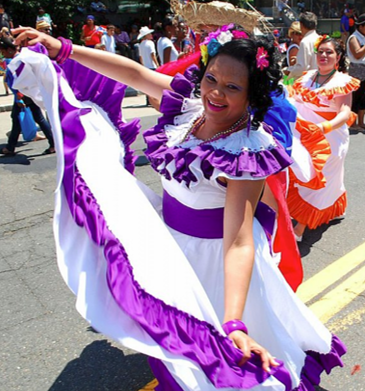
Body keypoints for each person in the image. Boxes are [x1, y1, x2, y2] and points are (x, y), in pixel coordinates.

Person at [12, 25, 346, 390]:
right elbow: (135, 73)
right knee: (176, 351)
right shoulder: (190, 108)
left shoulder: (247, 151)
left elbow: (237, 243)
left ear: (253, 96)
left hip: (214, 265)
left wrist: (233, 322)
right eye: (211, 78)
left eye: (232, 87)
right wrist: (62, 48)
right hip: (173, 248)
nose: (216, 93)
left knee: (218, 364)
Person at [287, 36, 359, 240]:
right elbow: (292, 97)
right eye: (321, 52)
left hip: (329, 139)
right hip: (303, 136)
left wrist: (322, 127)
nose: (324, 56)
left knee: (321, 179)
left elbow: (345, 113)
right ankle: (334, 210)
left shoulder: (343, 81)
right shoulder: (307, 76)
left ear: (338, 58)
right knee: (300, 174)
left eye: (329, 52)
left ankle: (300, 227)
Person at [0, 37, 55, 156]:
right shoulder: (20, 58)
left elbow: (20, 80)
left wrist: (19, 97)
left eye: (3, 51)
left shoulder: (17, 61)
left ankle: (10, 147)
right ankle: (53, 143)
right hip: (27, 95)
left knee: (18, 118)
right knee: (34, 118)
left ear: (9, 49)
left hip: (23, 95)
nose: (2, 54)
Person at [287, 12, 320, 80]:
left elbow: (302, 68)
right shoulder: (321, 39)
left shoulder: (305, 42)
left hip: (309, 82)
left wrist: (289, 71)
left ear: (301, 25)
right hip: (321, 79)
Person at [347, 13, 365, 130]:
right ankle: (352, 123)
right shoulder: (354, 37)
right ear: (361, 26)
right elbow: (357, 54)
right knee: (356, 98)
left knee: (364, 98)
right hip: (357, 70)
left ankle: (360, 122)